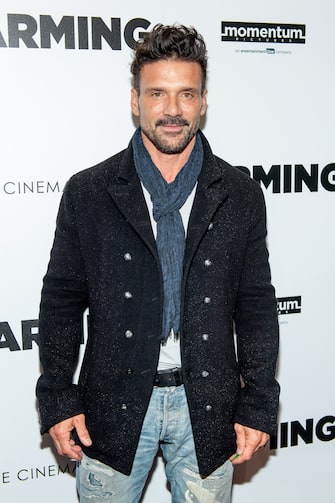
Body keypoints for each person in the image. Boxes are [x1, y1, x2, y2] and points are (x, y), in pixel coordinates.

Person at [36, 23, 279, 503]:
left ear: (203, 101)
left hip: (208, 405)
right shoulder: (89, 192)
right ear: (135, 101)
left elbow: (255, 307)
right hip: (112, 403)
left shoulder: (240, 195)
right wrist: (58, 399)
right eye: (157, 94)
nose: (172, 111)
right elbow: (61, 304)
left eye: (186, 94)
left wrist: (258, 403)